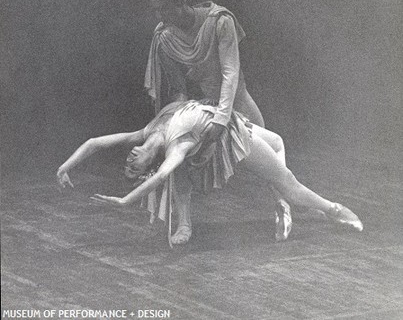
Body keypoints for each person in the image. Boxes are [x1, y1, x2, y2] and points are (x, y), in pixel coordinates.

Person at [57, 100, 363, 248]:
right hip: (232, 139)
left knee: (279, 142)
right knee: (288, 183)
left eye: (128, 160)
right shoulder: (177, 147)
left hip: (228, 118)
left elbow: (95, 143)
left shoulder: (144, 132)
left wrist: (65, 166)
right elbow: (163, 177)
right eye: (132, 168)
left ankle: (280, 201)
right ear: (146, 169)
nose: (130, 158)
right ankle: (334, 209)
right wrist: (124, 202)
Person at [144, 0, 291, 244]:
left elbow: (230, 72)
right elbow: (178, 86)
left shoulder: (219, 21)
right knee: (179, 158)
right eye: (157, 11)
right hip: (206, 104)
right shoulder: (165, 36)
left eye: (165, 9)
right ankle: (185, 222)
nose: (161, 17)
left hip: (236, 100)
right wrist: (176, 118)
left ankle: (282, 203)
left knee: (272, 150)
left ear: (180, 3)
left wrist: (223, 117)